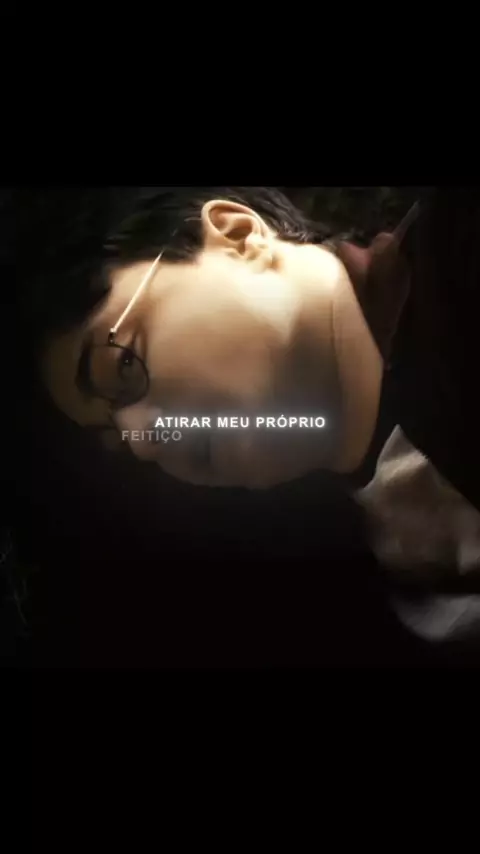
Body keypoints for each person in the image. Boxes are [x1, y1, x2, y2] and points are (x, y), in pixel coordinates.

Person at [7, 187, 480, 665]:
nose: (144, 440)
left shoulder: (460, 246)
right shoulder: (341, 586)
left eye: (122, 366)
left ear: (237, 234)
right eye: (116, 439)